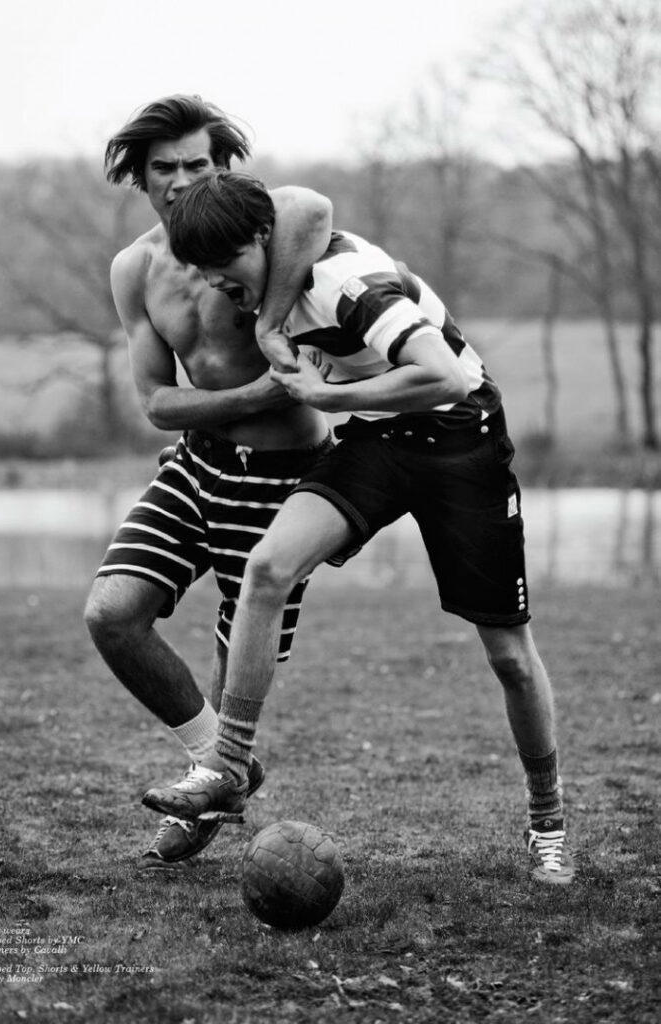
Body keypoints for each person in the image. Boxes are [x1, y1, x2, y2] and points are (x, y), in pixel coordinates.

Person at [153, 170, 576, 886]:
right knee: (267, 569)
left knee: (508, 654)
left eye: (228, 268)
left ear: (265, 240)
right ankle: (227, 764)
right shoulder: (268, 286)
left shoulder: (346, 285)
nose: (222, 286)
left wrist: (326, 395)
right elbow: (290, 215)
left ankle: (548, 820)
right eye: (210, 274)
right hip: (379, 441)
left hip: (462, 439)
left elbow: (445, 376)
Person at [83, 98, 334, 871]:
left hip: (283, 480)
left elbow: (311, 203)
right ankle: (218, 766)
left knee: (235, 663)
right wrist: (253, 394)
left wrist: (270, 327)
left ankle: (216, 777)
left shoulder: (266, 228)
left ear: (223, 166)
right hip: (197, 465)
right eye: (165, 168)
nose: (183, 178)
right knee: (111, 614)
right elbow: (159, 403)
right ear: (141, 178)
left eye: (199, 162)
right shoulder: (135, 269)